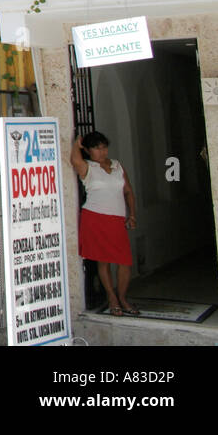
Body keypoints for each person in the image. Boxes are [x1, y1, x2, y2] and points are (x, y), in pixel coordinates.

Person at [71, 131, 139, 315]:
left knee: (124, 261)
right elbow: (75, 160)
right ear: (88, 150)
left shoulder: (117, 166)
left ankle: (122, 297)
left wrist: (131, 215)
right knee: (104, 262)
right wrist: (77, 146)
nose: (102, 151)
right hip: (95, 218)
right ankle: (112, 297)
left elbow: (128, 192)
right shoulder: (88, 168)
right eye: (96, 148)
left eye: (104, 147)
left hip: (116, 219)